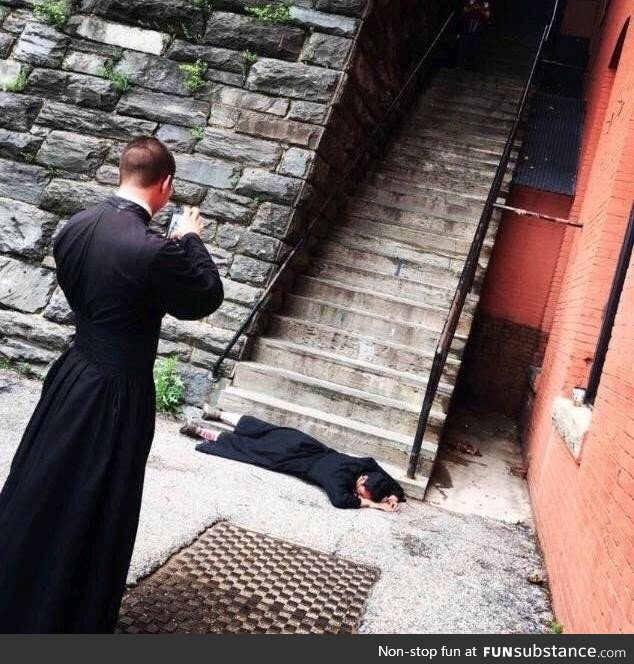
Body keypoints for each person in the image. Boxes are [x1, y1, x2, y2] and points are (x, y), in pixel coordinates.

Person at [0, 137, 224, 633]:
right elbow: (205, 296)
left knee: (43, 481)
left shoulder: (76, 225)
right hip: (117, 391)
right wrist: (190, 238)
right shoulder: (153, 249)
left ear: (123, 172)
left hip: (73, 372)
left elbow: (79, 285)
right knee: (96, 499)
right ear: (164, 185)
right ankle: (65, 612)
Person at [181, 409, 405, 512]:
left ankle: (217, 415)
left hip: (301, 442)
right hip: (290, 458)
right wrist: (374, 504)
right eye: (360, 492)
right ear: (363, 480)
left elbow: (385, 477)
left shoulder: (362, 465)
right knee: (249, 449)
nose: (357, 495)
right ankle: (201, 430)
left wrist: (393, 495)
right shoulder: (337, 478)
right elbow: (340, 500)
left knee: (262, 429)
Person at [457, 0, 491, 69]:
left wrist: (480, 9)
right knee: (463, 44)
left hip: (477, 26)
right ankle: (460, 64)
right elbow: (463, 11)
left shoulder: (485, 3)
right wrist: (472, 8)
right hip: (467, 24)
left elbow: (487, 16)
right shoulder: (470, 1)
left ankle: (470, 64)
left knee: (474, 45)